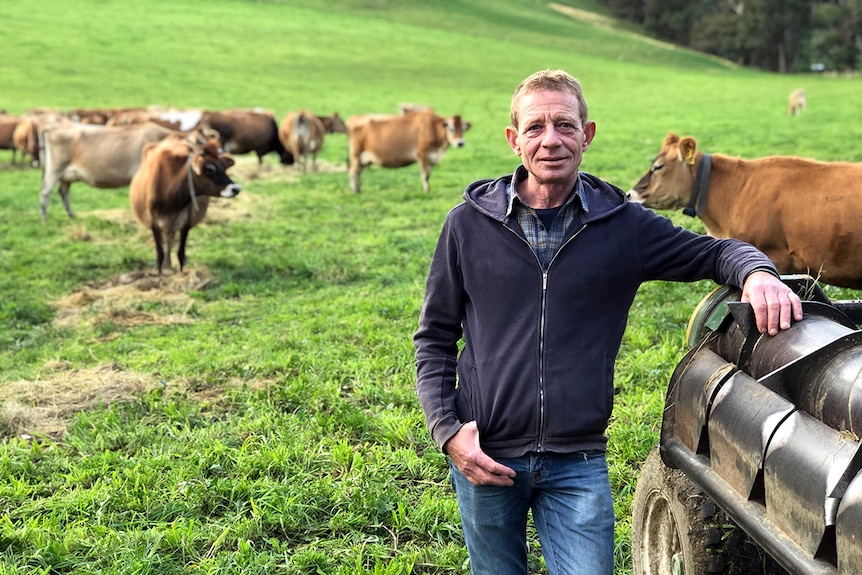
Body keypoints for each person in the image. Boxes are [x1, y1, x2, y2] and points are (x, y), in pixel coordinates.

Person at [413, 69, 804, 575]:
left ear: (587, 134)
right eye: (535, 127)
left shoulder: (623, 226)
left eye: (565, 125)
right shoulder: (467, 225)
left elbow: (719, 251)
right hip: (483, 452)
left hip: (576, 461)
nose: (550, 140)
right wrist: (448, 432)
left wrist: (758, 274)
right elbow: (434, 339)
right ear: (514, 140)